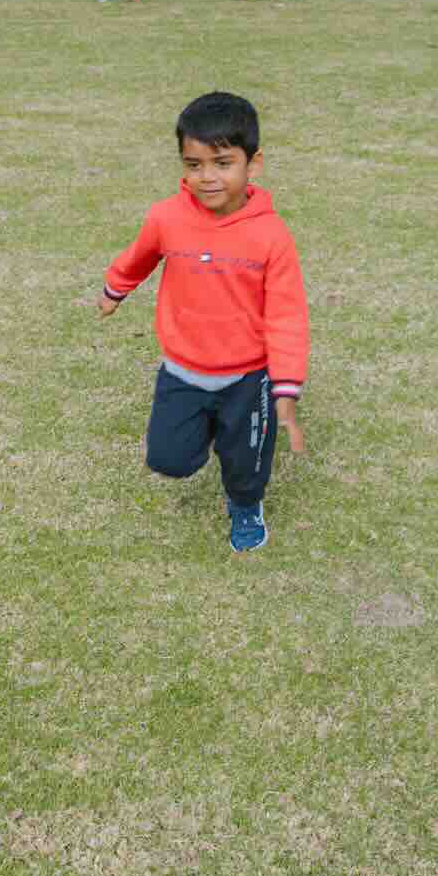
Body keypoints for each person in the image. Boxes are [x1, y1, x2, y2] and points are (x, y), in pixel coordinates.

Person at [97, 91, 308, 554]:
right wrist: (116, 289)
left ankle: (245, 504)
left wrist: (287, 386)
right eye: (194, 165)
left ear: (253, 165)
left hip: (248, 376)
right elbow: (140, 257)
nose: (207, 177)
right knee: (169, 460)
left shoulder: (272, 235)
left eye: (222, 162)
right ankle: (206, 427)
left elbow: (287, 314)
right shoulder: (166, 217)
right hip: (183, 370)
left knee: (246, 462)